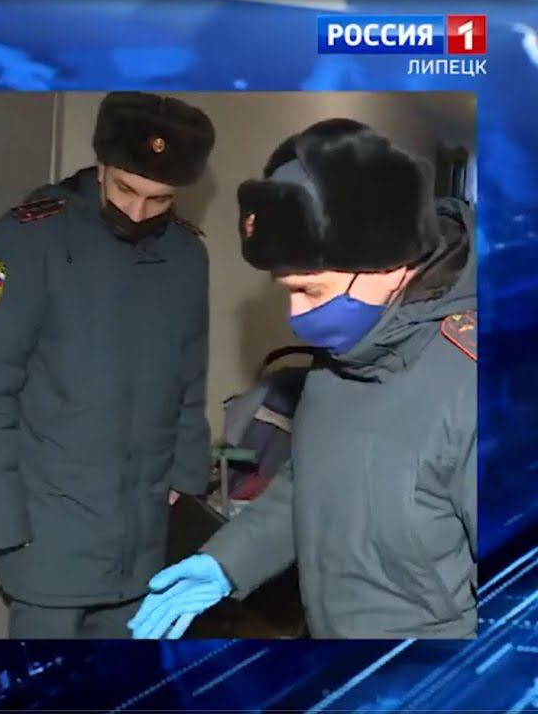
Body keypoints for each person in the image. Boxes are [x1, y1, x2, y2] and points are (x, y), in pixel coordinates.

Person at [129, 119, 478, 640]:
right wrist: (229, 562)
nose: (296, 316)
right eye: (287, 290)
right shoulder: (347, 352)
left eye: (311, 291)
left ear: (391, 262)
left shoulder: (479, 384)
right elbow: (311, 485)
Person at [0, 92, 217, 639]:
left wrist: (184, 479)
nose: (138, 212)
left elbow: (190, 376)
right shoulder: (27, 237)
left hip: (144, 535)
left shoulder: (187, 255)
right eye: (125, 189)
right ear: (100, 165)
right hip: (47, 535)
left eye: (159, 199)